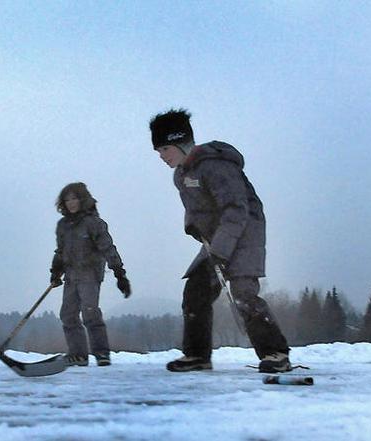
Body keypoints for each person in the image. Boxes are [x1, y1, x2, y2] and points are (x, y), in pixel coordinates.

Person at [149, 108, 291, 373]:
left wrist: (222, 250)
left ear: (180, 142)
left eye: (164, 149)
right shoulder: (181, 175)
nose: (162, 157)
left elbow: (236, 209)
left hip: (245, 232)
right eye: (159, 152)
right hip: (216, 238)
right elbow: (196, 209)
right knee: (196, 289)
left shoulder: (215, 166)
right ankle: (197, 356)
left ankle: (275, 353)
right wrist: (192, 226)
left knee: (243, 294)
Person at [49, 182, 131, 367]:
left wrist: (120, 274)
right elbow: (61, 251)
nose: (71, 203)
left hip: (90, 274)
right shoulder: (63, 225)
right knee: (68, 315)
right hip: (70, 274)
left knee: (90, 312)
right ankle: (78, 354)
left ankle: (101, 353)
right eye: (67, 199)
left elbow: (108, 248)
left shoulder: (93, 223)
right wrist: (55, 272)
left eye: (74, 198)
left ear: (82, 200)